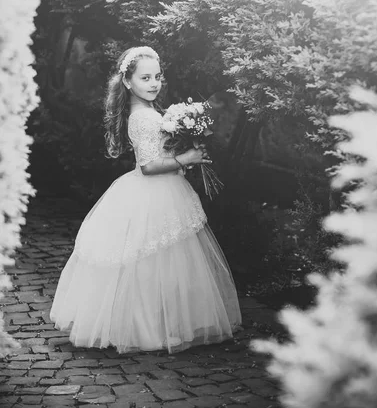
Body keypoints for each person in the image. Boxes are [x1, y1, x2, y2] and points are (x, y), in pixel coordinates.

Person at [50, 45, 242, 354]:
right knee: (151, 263)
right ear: (128, 82)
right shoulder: (142, 118)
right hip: (153, 193)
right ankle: (148, 327)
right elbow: (149, 166)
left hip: (165, 191)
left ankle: (159, 323)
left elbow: (161, 153)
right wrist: (186, 158)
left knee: (162, 263)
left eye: (157, 76)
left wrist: (184, 149)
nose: (153, 83)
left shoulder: (150, 112)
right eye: (145, 78)